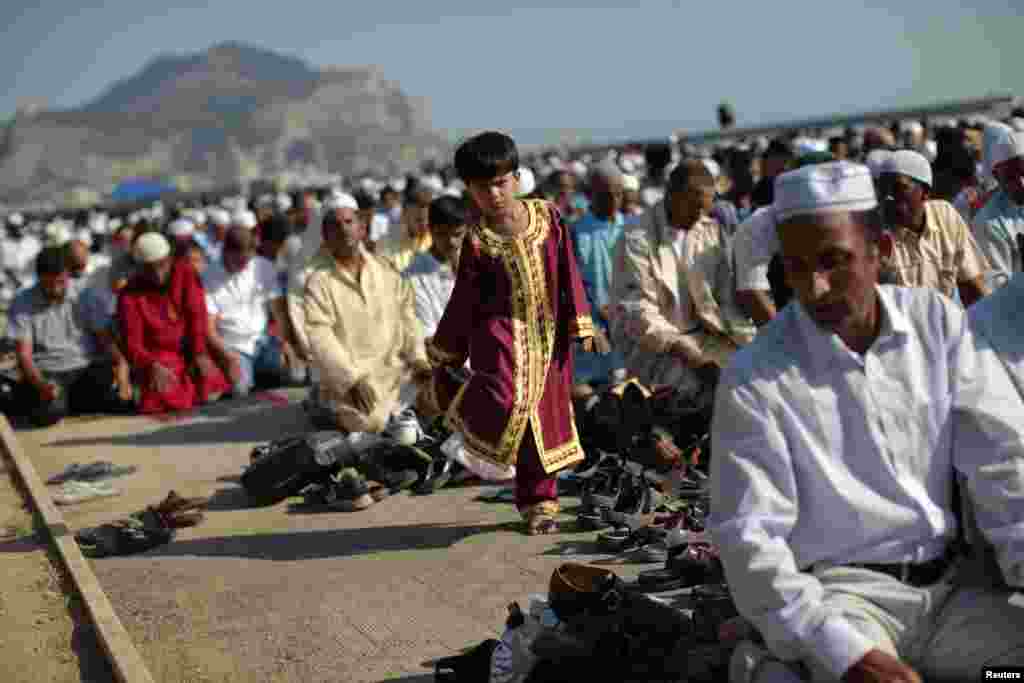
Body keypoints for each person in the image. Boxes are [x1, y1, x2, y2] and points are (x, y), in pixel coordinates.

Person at [711, 161, 1024, 683]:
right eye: (796, 268)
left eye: (834, 262)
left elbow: (1002, 460)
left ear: (879, 249)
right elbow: (748, 537)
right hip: (843, 603)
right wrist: (846, 655)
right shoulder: (754, 376)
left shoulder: (937, 324)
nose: (813, 287)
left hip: (951, 598)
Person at [423, 131, 607, 535]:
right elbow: (465, 299)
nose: (493, 194)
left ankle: (539, 500)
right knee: (508, 399)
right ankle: (464, 413)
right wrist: (446, 352)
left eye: (500, 182)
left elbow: (567, 270)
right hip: (499, 332)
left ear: (517, 178)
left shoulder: (547, 216)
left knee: (542, 415)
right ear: (469, 189)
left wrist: (582, 322)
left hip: (548, 332)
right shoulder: (477, 238)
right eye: (481, 187)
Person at [609, 159, 754, 406]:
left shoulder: (709, 230)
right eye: (694, 208)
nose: (700, 216)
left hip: (708, 339)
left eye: (705, 210)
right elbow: (639, 312)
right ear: (672, 196)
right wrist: (692, 356)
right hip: (658, 350)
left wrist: (752, 341)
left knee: (754, 378)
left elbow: (725, 303)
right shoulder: (636, 237)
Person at [302, 192, 431, 436]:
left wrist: (418, 359)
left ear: (362, 228)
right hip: (353, 382)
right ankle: (323, 404)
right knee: (373, 425)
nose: (343, 230)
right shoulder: (319, 283)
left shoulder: (385, 269)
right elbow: (320, 338)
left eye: (349, 222)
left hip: (397, 375)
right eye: (334, 226)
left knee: (442, 403)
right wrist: (352, 380)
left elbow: (407, 316)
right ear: (325, 237)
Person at [6, 246, 131, 426]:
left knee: (122, 401)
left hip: (84, 369)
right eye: (49, 285)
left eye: (61, 282)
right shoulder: (22, 302)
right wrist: (41, 385)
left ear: (67, 275)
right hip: (48, 373)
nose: (56, 289)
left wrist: (121, 364)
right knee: (50, 412)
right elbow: (24, 356)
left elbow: (104, 339)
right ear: (39, 278)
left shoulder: (86, 294)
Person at [117, 233, 229, 414]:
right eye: (149, 269)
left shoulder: (185, 273)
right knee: (164, 392)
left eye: (161, 266)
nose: (157, 275)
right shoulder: (129, 295)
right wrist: (151, 365)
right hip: (158, 358)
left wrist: (199, 352)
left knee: (215, 383)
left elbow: (197, 316)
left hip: (192, 347)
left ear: (169, 260)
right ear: (139, 268)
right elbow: (132, 343)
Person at [877, 150, 989, 306]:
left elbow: (973, 287)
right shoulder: (874, 234)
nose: (888, 197)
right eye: (882, 189)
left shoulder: (944, 216)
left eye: (898, 188)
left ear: (925, 192)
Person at [203, 226, 297, 397]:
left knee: (297, 375)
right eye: (239, 261)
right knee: (240, 389)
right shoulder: (209, 276)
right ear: (226, 252)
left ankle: (262, 375)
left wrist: (286, 342)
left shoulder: (262, 266)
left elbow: (279, 311)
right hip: (233, 347)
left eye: (247, 261)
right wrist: (227, 357)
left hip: (263, 342)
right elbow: (209, 329)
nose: (244, 266)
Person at [568, 163, 624, 392]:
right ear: (591, 195)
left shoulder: (631, 229)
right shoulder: (575, 233)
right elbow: (570, 288)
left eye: (618, 194)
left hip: (626, 333)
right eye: (605, 195)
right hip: (590, 337)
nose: (613, 200)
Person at [404, 195, 468, 339]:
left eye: (458, 234)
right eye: (442, 234)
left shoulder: (478, 265)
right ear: (431, 230)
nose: (451, 241)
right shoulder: (413, 278)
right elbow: (427, 334)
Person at [972, 127, 1024, 290]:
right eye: (1011, 177)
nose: (1021, 183)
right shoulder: (988, 222)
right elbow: (1001, 288)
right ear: (997, 176)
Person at [376, 187, 433, 273]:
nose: (425, 224)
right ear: (404, 215)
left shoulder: (439, 241)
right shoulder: (386, 243)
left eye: (428, 219)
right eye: (418, 220)